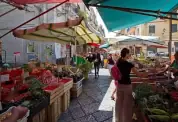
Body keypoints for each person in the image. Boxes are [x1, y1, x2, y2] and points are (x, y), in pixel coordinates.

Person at [115, 48, 149, 122]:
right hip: (127, 86)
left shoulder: (118, 62)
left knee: (119, 104)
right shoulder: (129, 64)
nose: (129, 55)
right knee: (127, 106)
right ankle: (126, 120)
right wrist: (147, 73)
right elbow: (139, 74)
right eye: (129, 53)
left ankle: (118, 120)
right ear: (126, 54)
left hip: (119, 85)